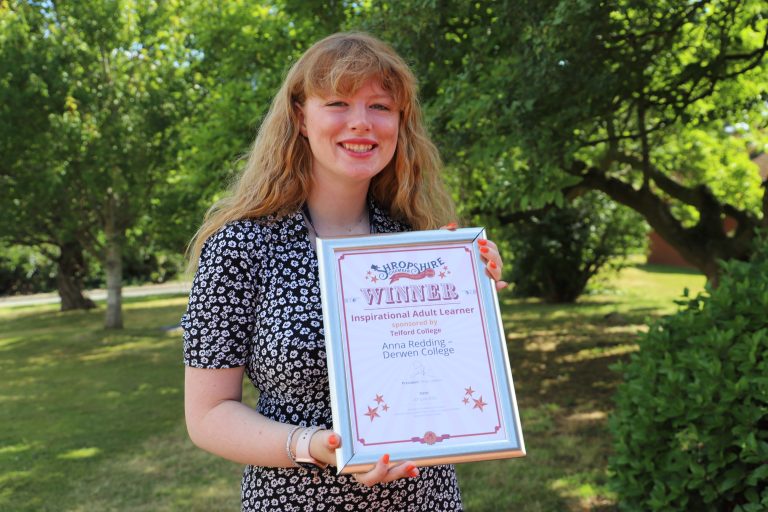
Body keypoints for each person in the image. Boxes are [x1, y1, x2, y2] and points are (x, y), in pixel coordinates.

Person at [182, 31, 507, 511]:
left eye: (380, 106)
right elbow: (208, 415)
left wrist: (472, 297)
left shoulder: (418, 243)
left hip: (426, 500)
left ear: (400, 122)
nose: (361, 123)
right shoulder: (240, 246)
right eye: (337, 102)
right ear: (300, 116)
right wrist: (315, 447)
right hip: (296, 501)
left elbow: (446, 378)